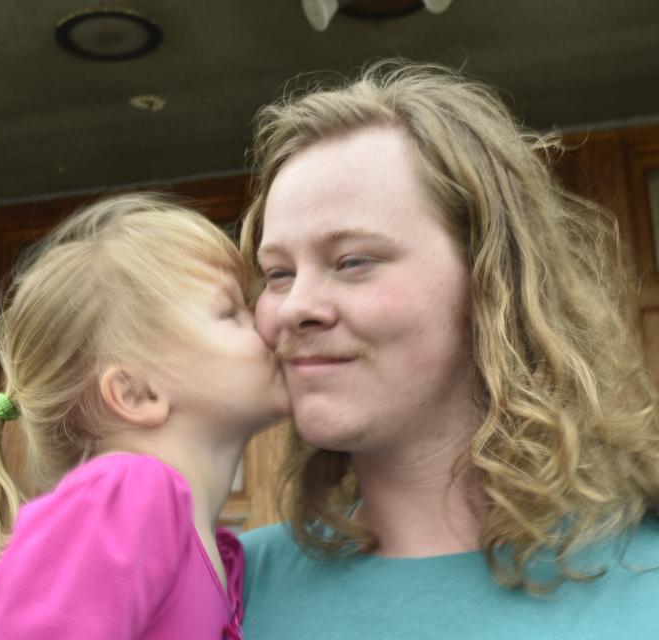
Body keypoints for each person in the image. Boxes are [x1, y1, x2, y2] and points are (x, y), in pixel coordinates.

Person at [237, 61, 659, 638]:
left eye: (352, 261)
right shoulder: (227, 589)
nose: (292, 307)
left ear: (492, 282)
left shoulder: (642, 582)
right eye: (278, 273)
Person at [0, 193, 289, 639]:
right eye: (231, 312)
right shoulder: (129, 493)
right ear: (136, 392)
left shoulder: (219, 557)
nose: (268, 319)